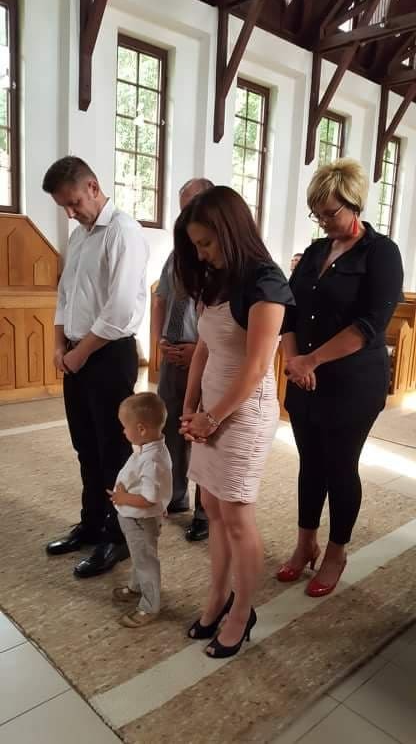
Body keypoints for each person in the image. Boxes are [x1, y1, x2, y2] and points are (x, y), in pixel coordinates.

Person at [174, 186, 294, 658]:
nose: (202, 253)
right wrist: (190, 406)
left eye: (206, 243)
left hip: (244, 414)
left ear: (230, 231)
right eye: (196, 245)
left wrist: (212, 417)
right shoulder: (215, 278)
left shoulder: (267, 283)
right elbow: (204, 347)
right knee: (212, 506)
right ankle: (217, 597)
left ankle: (243, 612)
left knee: (238, 516)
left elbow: (257, 367)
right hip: (210, 410)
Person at [277, 158, 403, 597]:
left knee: (340, 467)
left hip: (353, 382)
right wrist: (294, 360)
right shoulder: (315, 252)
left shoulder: (381, 253)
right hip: (304, 378)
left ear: (354, 204)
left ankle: (335, 552)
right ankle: (305, 543)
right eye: (317, 214)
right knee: (310, 464)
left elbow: (369, 325)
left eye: (330, 213)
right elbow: (288, 311)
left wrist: (312, 360)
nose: (324, 222)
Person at [43, 156, 149, 578]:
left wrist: (80, 352)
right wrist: (59, 345)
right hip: (77, 353)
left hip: (109, 354)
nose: (71, 213)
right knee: (85, 445)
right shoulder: (79, 237)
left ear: (93, 186)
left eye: (73, 202)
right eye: (63, 207)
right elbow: (65, 297)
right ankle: (90, 525)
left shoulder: (123, 231)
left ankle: (117, 536)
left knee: (113, 450)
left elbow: (120, 309)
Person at [153, 178, 214, 542]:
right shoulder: (177, 253)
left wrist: (197, 350)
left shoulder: (218, 255)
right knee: (171, 426)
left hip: (203, 353)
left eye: (191, 208)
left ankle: (205, 511)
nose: (185, 217)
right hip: (173, 351)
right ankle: (176, 495)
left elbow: (220, 318)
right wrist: (160, 340)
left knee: (202, 432)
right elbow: (161, 298)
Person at [108, 393, 172, 627]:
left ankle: (149, 606)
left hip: (140, 520)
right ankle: (136, 587)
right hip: (136, 519)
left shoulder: (152, 459)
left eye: (125, 426)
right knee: (139, 556)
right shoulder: (148, 448)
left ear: (141, 429)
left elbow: (148, 498)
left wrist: (122, 497)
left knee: (146, 561)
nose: (123, 431)